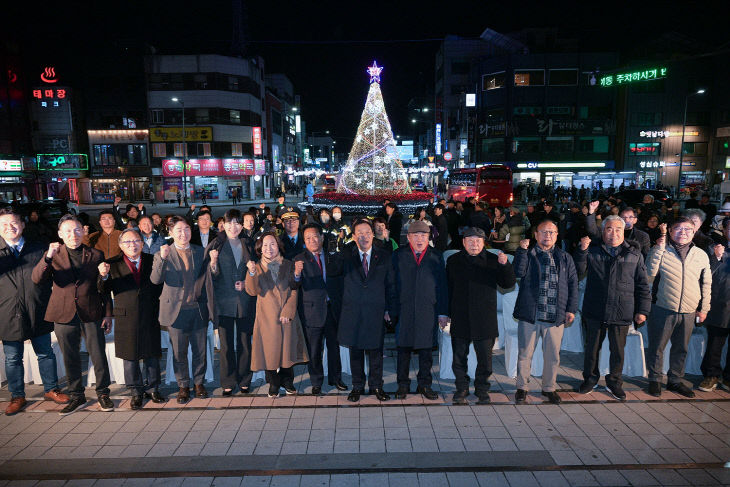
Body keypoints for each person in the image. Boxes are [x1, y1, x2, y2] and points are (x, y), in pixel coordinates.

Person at [31, 215, 114, 415]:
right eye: (67, 231)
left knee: (98, 354)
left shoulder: (95, 254)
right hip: (63, 313)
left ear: (84, 231)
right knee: (70, 357)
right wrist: (47, 256)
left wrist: (108, 312)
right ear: (60, 234)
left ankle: (103, 393)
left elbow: (103, 288)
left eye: (77, 230)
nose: (73, 235)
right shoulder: (53, 254)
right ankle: (77, 395)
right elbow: (37, 278)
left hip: (92, 311)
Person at [573, 216, 652, 401]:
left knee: (618, 350)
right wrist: (581, 251)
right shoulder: (592, 250)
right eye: (609, 229)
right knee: (592, 348)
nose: (613, 233)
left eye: (618, 229)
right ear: (603, 231)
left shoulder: (634, 254)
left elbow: (642, 285)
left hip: (622, 309)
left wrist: (643, 310)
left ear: (623, 231)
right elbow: (577, 271)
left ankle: (614, 382)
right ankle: (590, 379)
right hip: (595, 308)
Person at [0, 208, 70, 415]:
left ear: (22, 225)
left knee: (45, 352)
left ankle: (51, 389)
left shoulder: (39, 249)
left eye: (13, 223)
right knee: (12, 357)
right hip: (7, 311)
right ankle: (17, 395)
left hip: (38, 308)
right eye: (4, 225)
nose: (10, 228)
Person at [513, 218, 579, 405]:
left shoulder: (565, 257)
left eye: (551, 232)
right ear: (536, 235)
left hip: (555, 313)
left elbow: (573, 284)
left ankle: (549, 388)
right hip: (530, 313)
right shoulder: (529, 253)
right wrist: (521, 251)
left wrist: (571, 309)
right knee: (525, 352)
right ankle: (521, 387)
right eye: (543, 232)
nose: (547, 235)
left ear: (557, 235)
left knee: (552, 355)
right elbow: (518, 272)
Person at [446, 227, 515, 404]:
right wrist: (445, 313)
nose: (474, 244)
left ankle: (482, 388)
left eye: (478, 240)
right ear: (463, 242)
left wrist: (505, 265)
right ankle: (461, 388)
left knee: (485, 357)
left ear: (484, 242)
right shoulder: (453, 260)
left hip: (485, 318)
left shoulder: (493, 260)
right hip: (460, 316)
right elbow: (448, 289)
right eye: (470, 240)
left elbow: (508, 284)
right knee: (459, 357)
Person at [645, 218, 712, 397]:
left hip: (689, 309)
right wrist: (658, 249)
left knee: (681, 348)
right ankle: (655, 379)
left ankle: (675, 380)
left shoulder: (701, 254)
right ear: (671, 230)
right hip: (662, 307)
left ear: (694, 232)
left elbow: (706, 283)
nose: (683, 232)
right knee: (657, 346)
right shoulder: (660, 250)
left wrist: (704, 308)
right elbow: (649, 275)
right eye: (678, 228)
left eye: (688, 229)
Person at [99, 229, 165, 409]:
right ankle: (136, 391)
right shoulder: (111, 264)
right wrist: (103, 276)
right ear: (120, 245)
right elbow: (103, 290)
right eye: (127, 242)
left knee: (151, 354)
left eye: (136, 241)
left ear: (142, 243)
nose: (132, 245)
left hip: (150, 313)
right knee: (130, 356)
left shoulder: (153, 260)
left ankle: (153, 388)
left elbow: (160, 286)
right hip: (125, 315)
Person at [151, 216, 211, 403]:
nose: (183, 233)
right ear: (170, 232)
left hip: (198, 309)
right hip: (175, 311)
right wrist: (162, 257)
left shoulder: (200, 251)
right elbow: (155, 280)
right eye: (178, 230)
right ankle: (183, 385)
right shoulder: (163, 253)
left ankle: (199, 383)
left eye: (186, 229)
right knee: (179, 352)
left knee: (200, 350)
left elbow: (209, 278)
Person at [338, 219, 397, 402]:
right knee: (355, 351)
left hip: (376, 310)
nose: (364, 236)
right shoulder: (347, 255)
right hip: (353, 310)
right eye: (360, 233)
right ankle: (357, 386)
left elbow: (391, 285)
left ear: (373, 234)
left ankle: (376, 386)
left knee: (375, 352)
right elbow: (336, 277)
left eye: (367, 232)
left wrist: (389, 309)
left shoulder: (384, 255)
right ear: (354, 237)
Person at [245, 232, 308, 397]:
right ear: (260, 248)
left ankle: (287, 381)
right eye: (265, 245)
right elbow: (252, 291)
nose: (269, 248)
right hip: (266, 317)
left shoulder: (288, 264)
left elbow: (294, 289)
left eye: (272, 244)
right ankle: (273, 383)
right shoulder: (256, 267)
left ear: (278, 245)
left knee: (287, 350)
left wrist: (289, 310)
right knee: (269, 352)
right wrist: (251, 273)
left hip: (286, 315)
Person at [392, 221, 449, 401]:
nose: (419, 239)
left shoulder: (436, 256)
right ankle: (402, 384)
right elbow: (391, 284)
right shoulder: (398, 255)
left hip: (428, 309)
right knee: (403, 349)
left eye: (423, 236)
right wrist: (389, 308)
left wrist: (442, 312)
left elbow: (443, 286)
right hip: (404, 308)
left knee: (426, 350)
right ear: (408, 237)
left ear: (428, 238)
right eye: (415, 236)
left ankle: (425, 384)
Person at [292, 224, 348, 395]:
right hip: (312, 312)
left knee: (334, 347)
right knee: (314, 349)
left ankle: (336, 378)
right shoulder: (299, 259)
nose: (312, 240)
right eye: (308, 238)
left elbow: (341, 281)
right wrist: (296, 273)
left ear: (322, 238)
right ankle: (316, 381)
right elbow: (294, 285)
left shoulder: (333, 256)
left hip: (332, 310)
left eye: (315, 236)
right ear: (304, 241)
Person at [207, 209, 257, 396]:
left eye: (237, 223)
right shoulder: (217, 243)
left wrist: (247, 280)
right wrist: (213, 263)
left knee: (244, 342)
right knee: (226, 344)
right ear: (223, 224)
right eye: (230, 223)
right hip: (224, 301)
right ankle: (227, 381)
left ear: (242, 225)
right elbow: (209, 276)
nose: (233, 227)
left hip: (245, 300)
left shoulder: (249, 243)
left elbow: (257, 269)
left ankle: (244, 379)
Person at [699, 217, 730, 391]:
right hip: (719, 304)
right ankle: (711, 376)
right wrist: (716, 258)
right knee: (715, 343)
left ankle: (728, 378)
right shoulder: (714, 249)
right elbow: (705, 274)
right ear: (724, 231)